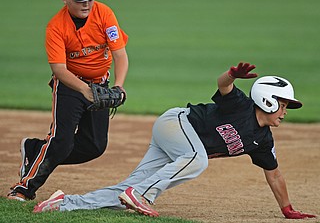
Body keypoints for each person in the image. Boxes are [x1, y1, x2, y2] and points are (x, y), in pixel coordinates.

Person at [33, 62, 316, 220]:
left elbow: (275, 174)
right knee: (197, 159)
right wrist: (231, 75)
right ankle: (141, 194)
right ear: (266, 99)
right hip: (176, 124)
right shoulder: (242, 105)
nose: (285, 111)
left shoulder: (262, 140)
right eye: (282, 103)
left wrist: (287, 209)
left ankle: (64, 203)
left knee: (125, 193)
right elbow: (223, 85)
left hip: (180, 145)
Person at [7, 0, 129, 201]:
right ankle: (24, 188)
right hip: (69, 87)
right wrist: (86, 91)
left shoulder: (104, 14)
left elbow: (120, 55)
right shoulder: (56, 26)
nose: (86, 4)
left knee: (95, 146)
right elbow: (59, 70)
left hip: (100, 84)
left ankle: (35, 150)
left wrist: (118, 87)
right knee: (61, 142)